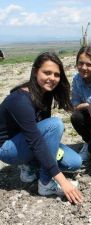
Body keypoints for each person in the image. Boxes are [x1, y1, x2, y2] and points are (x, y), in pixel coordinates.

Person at [0, 52, 83, 204]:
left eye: (56, 74)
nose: (52, 78)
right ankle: (45, 183)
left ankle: (30, 166)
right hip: (8, 148)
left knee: (75, 162)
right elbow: (37, 140)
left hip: (27, 141)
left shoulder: (46, 93)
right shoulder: (20, 100)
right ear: (35, 71)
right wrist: (63, 182)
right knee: (55, 124)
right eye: (47, 72)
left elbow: (40, 133)